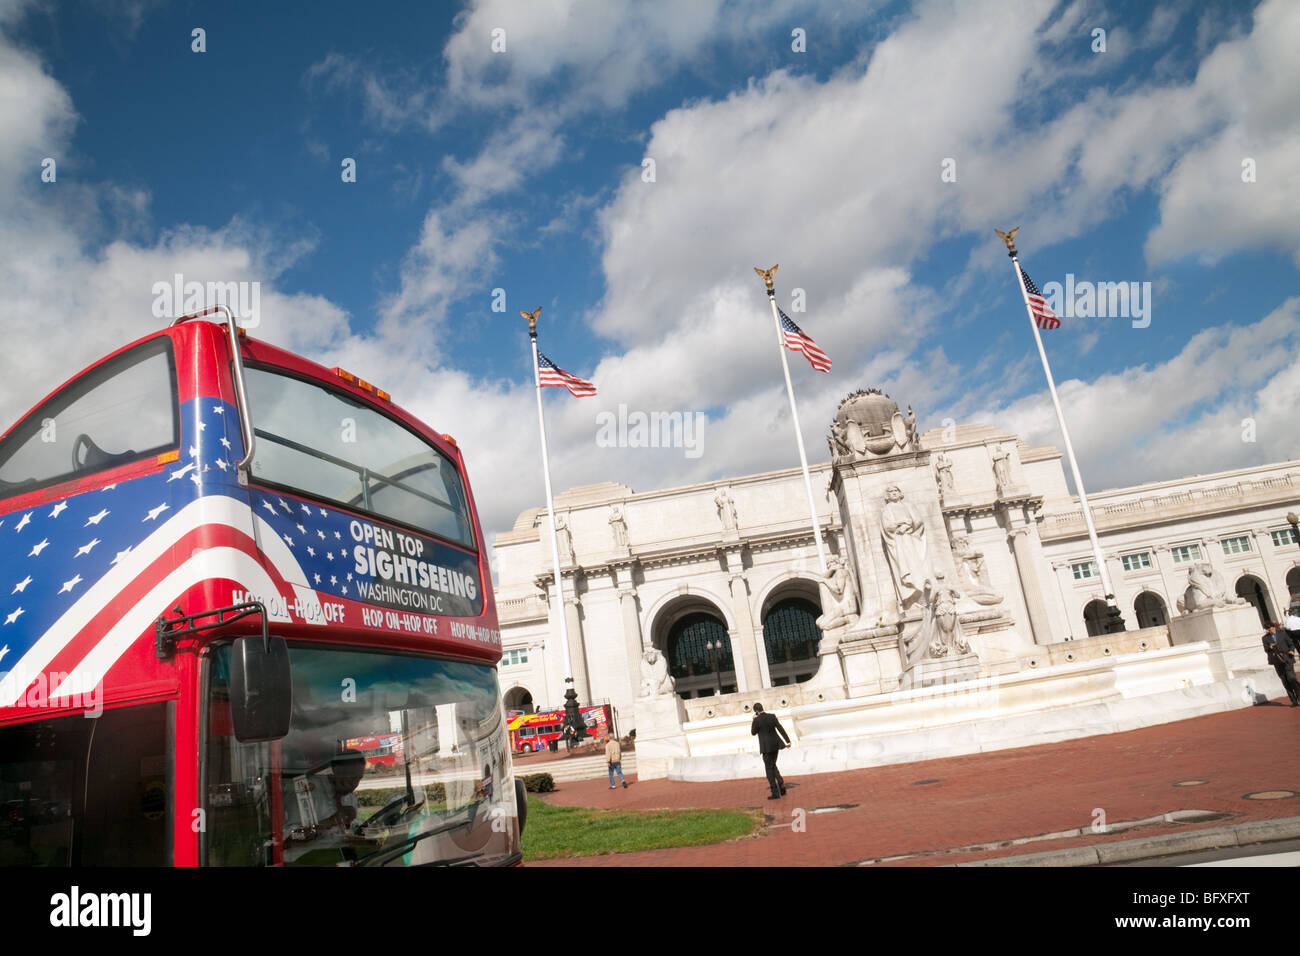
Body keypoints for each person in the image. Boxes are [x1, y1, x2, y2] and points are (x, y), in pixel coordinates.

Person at [750, 703, 791, 800]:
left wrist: (753, 720)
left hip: (766, 747)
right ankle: (781, 784)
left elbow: (753, 732)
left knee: (769, 769)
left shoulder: (757, 720)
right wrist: (787, 741)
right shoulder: (772, 716)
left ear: (756, 711)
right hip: (776, 745)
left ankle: (775, 792)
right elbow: (780, 728)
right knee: (772, 765)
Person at [1262, 622, 1300, 707]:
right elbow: (1265, 649)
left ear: (1274, 627)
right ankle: (1293, 700)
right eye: (1269, 630)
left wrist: (1291, 651)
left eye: (1272, 629)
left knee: (1291, 678)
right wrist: (1270, 647)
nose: (1271, 631)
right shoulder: (1265, 638)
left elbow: (1291, 644)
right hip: (1277, 661)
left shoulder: (1282, 633)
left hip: (1287, 659)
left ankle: (1299, 695)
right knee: (1285, 681)